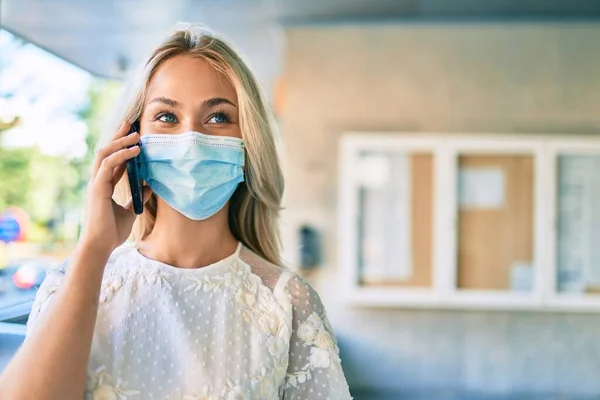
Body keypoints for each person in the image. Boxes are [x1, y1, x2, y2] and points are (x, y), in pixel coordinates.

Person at [0, 23, 352, 399]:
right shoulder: (77, 282)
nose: (190, 140)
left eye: (218, 117)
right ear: (130, 141)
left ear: (248, 141)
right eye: (167, 117)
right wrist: (93, 248)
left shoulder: (289, 303)